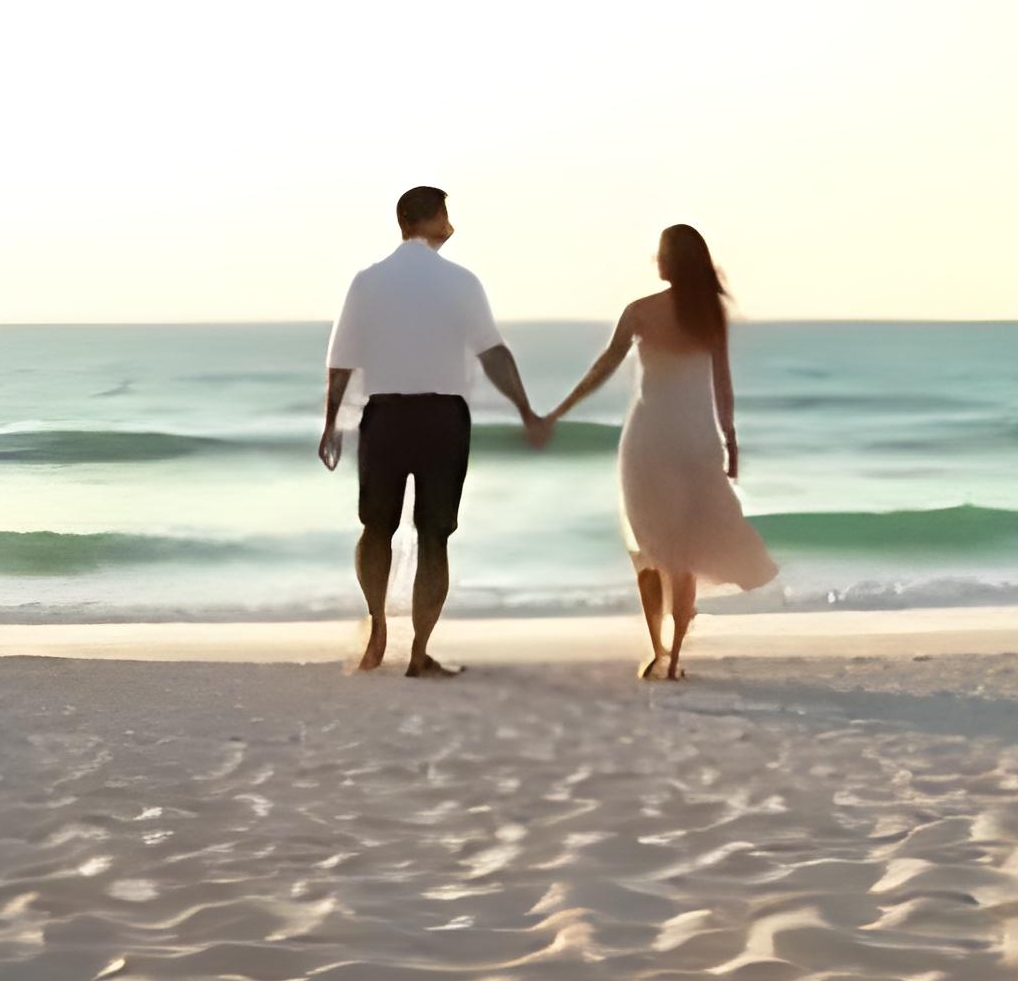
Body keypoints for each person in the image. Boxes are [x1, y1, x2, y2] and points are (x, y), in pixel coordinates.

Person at [318, 184, 548, 678]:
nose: (453, 224)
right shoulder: (461, 281)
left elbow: (340, 361)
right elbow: (494, 355)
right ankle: (419, 652)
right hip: (442, 419)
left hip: (384, 418)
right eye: (447, 214)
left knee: (376, 528)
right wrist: (526, 410)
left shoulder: (367, 281)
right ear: (429, 219)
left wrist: (331, 423)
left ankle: (378, 624)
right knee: (434, 538)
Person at [552, 223, 772, 680]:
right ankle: (674, 658)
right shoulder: (710, 315)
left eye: (660, 253)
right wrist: (730, 440)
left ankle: (656, 650)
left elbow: (603, 367)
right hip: (695, 439)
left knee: (648, 547)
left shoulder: (640, 312)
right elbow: (723, 385)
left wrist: (560, 408)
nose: (656, 260)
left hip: (649, 440)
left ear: (670, 261)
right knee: (684, 553)